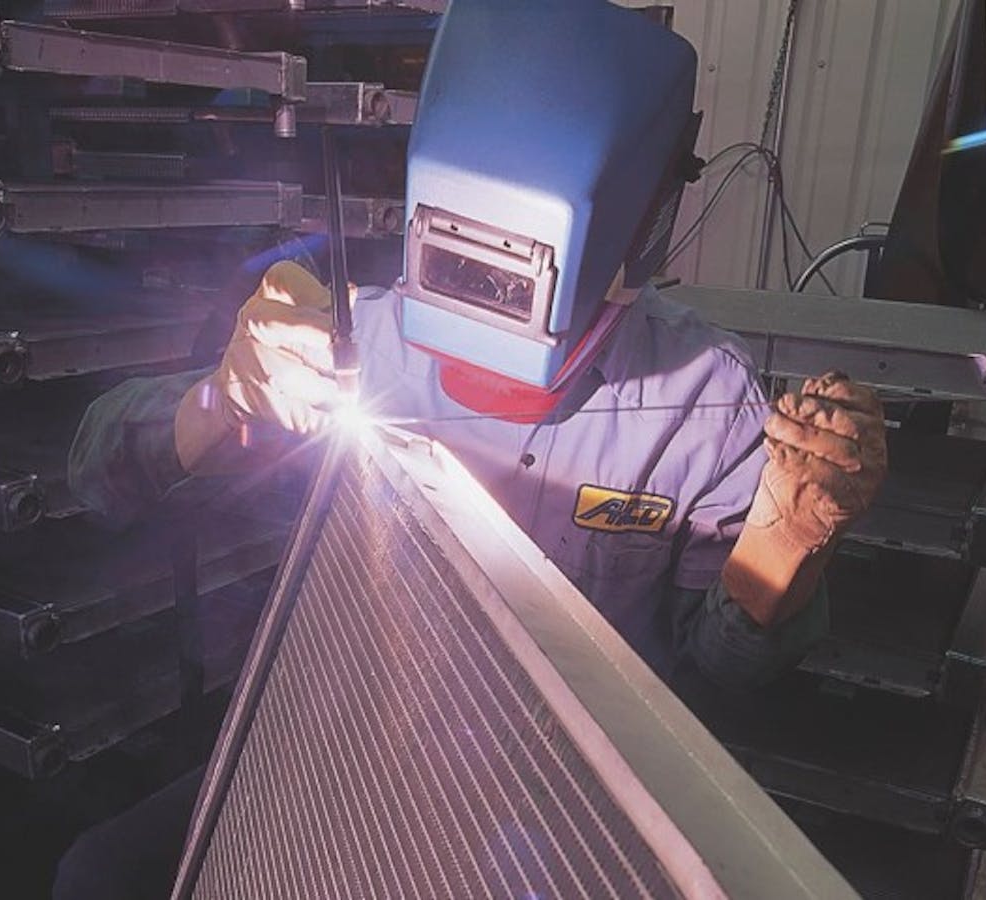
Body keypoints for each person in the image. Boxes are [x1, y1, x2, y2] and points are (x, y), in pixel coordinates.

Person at [55, 1, 887, 896]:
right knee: (99, 876)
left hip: (557, 799)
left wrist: (786, 545)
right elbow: (96, 476)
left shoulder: (700, 399)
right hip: (345, 749)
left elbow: (716, 683)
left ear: (636, 229)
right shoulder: (356, 344)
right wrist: (220, 402)